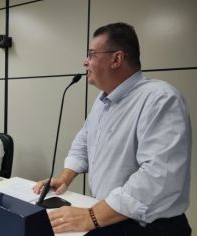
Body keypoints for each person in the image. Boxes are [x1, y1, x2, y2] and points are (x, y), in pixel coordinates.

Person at [33, 22, 191, 235]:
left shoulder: (160, 99)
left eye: (91, 55)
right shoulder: (102, 100)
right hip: (109, 216)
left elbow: (158, 177)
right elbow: (84, 142)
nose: (85, 62)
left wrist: (92, 216)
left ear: (117, 59)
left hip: (148, 227)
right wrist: (65, 177)